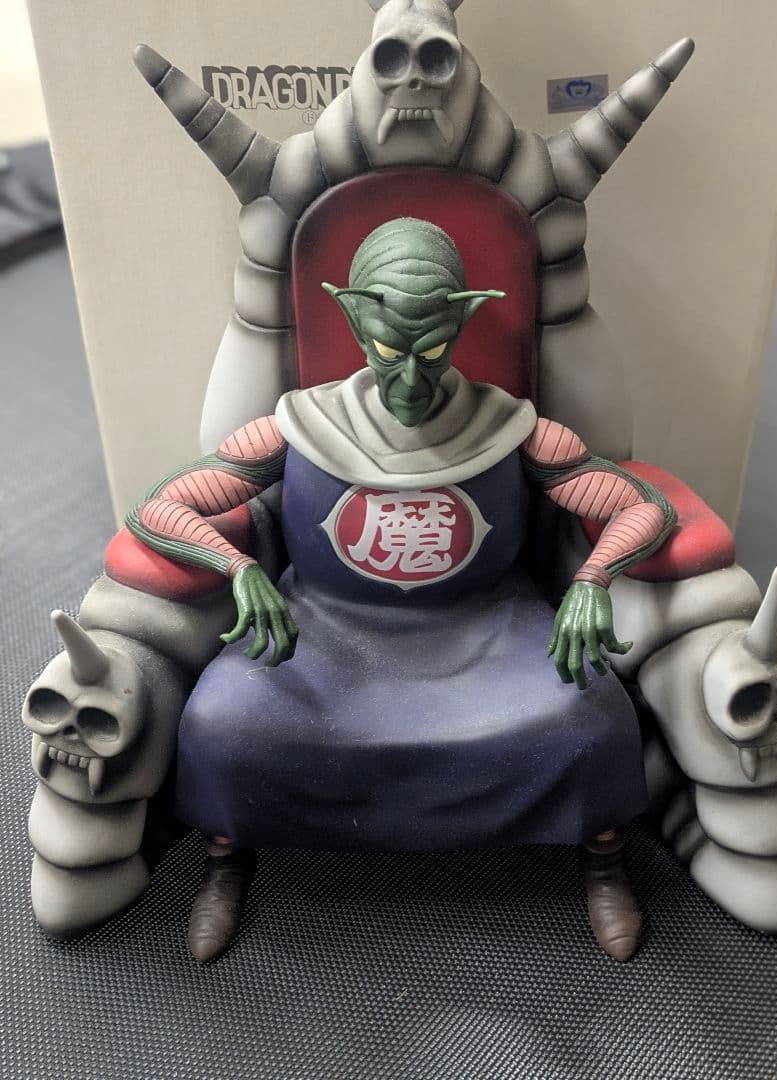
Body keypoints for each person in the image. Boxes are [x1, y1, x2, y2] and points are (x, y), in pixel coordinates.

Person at [127, 218, 675, 963]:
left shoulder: (512, 428)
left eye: (433, 351)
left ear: (461, 324)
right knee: (223, 720)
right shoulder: (300, 426)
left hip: (487, 626)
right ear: (356, 322)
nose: (412, 381)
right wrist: (238, 567)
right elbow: (161, 508)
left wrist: (593, 576)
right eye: (390, 352)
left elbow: (643, 508)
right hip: (323, 633)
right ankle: (226, 859)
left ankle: (602, 859)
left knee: (593, 713)